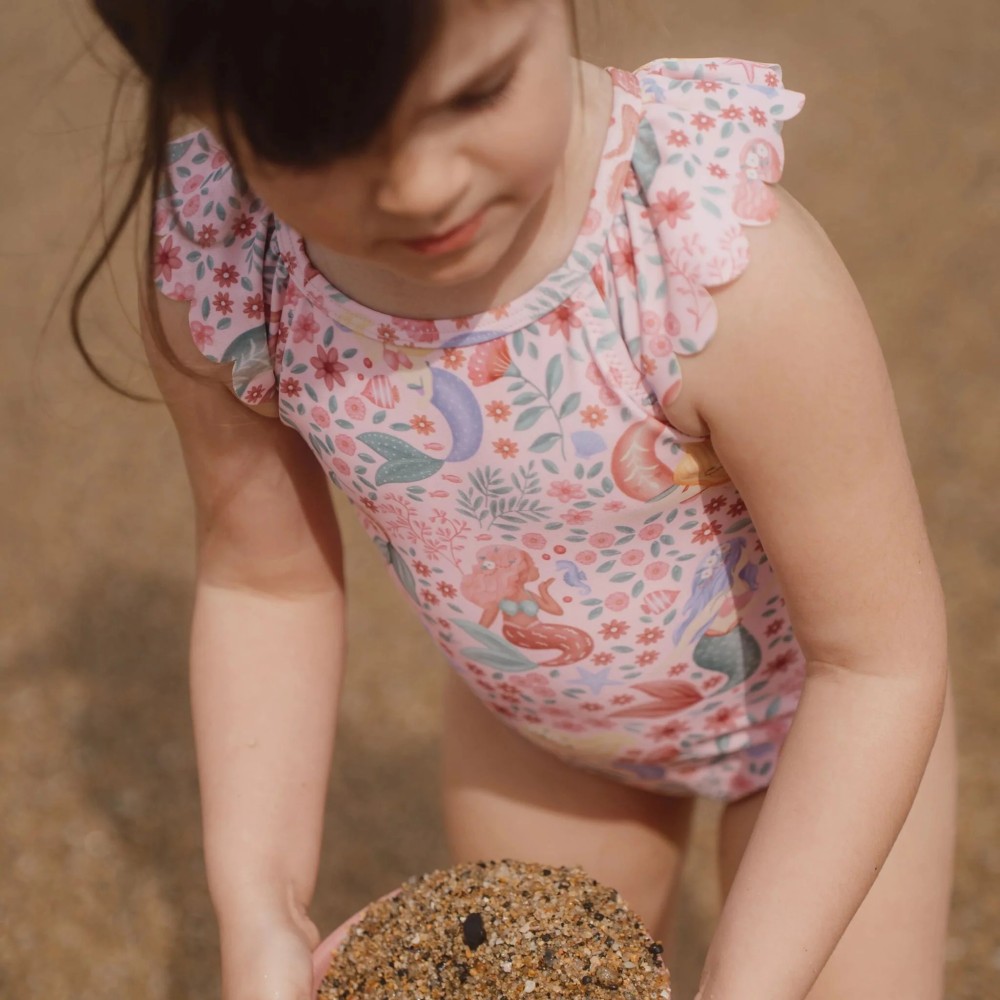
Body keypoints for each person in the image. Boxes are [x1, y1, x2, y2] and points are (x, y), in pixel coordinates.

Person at [80, 1, 956, 998]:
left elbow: (876, 659)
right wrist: (260, 908)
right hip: (545, 738)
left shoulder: (703, 263)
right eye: (319, 140)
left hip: (831, 724)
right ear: (200, 104)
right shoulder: (236, 267)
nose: (420, 186)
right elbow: (263, 583)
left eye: (476, 92)